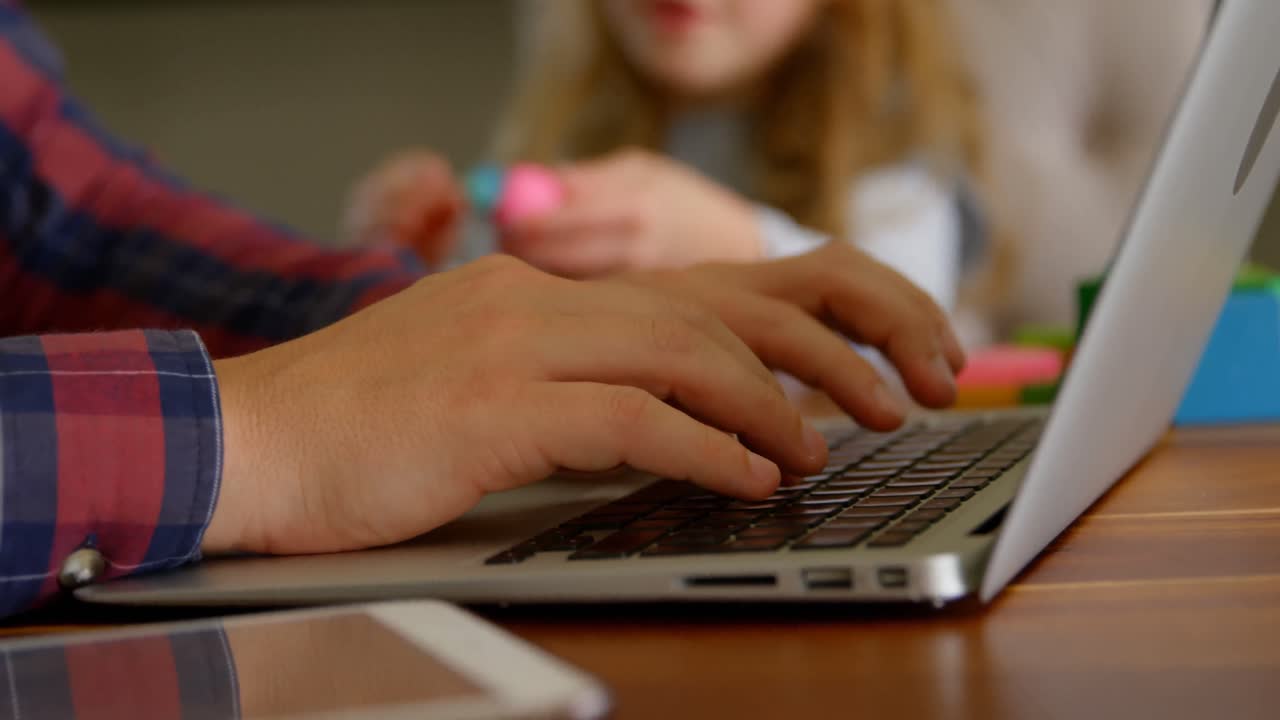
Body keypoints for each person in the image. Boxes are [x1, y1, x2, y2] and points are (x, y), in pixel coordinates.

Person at [0, 1, 962, 620]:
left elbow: (70, 226)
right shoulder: (565, 123)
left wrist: (420, 316)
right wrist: (256, 434)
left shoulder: (897, 159)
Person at [348, 0, 991, 323]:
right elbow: (498, 315)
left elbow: (911, 332)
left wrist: (739, 245)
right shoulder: (574, 130)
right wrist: (420, 262)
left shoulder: (888, 134)